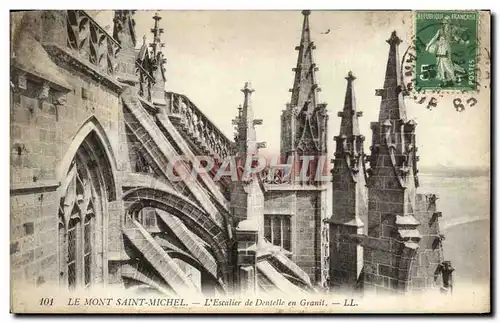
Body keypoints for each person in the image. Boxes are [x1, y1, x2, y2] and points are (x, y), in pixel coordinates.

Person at [425, 16, 469, 86]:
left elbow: (456, 38)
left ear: (449, 22)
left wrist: (463, 42)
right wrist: (428, 46)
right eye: (445, 21)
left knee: (447, 64)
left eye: (447, 21)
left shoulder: (452, 30)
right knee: (440, 64)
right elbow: (434, 38)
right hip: (439, 48)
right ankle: (444, 80)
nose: (446, 23)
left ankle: (454, 77)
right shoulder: (440, 30)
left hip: (446, 48)